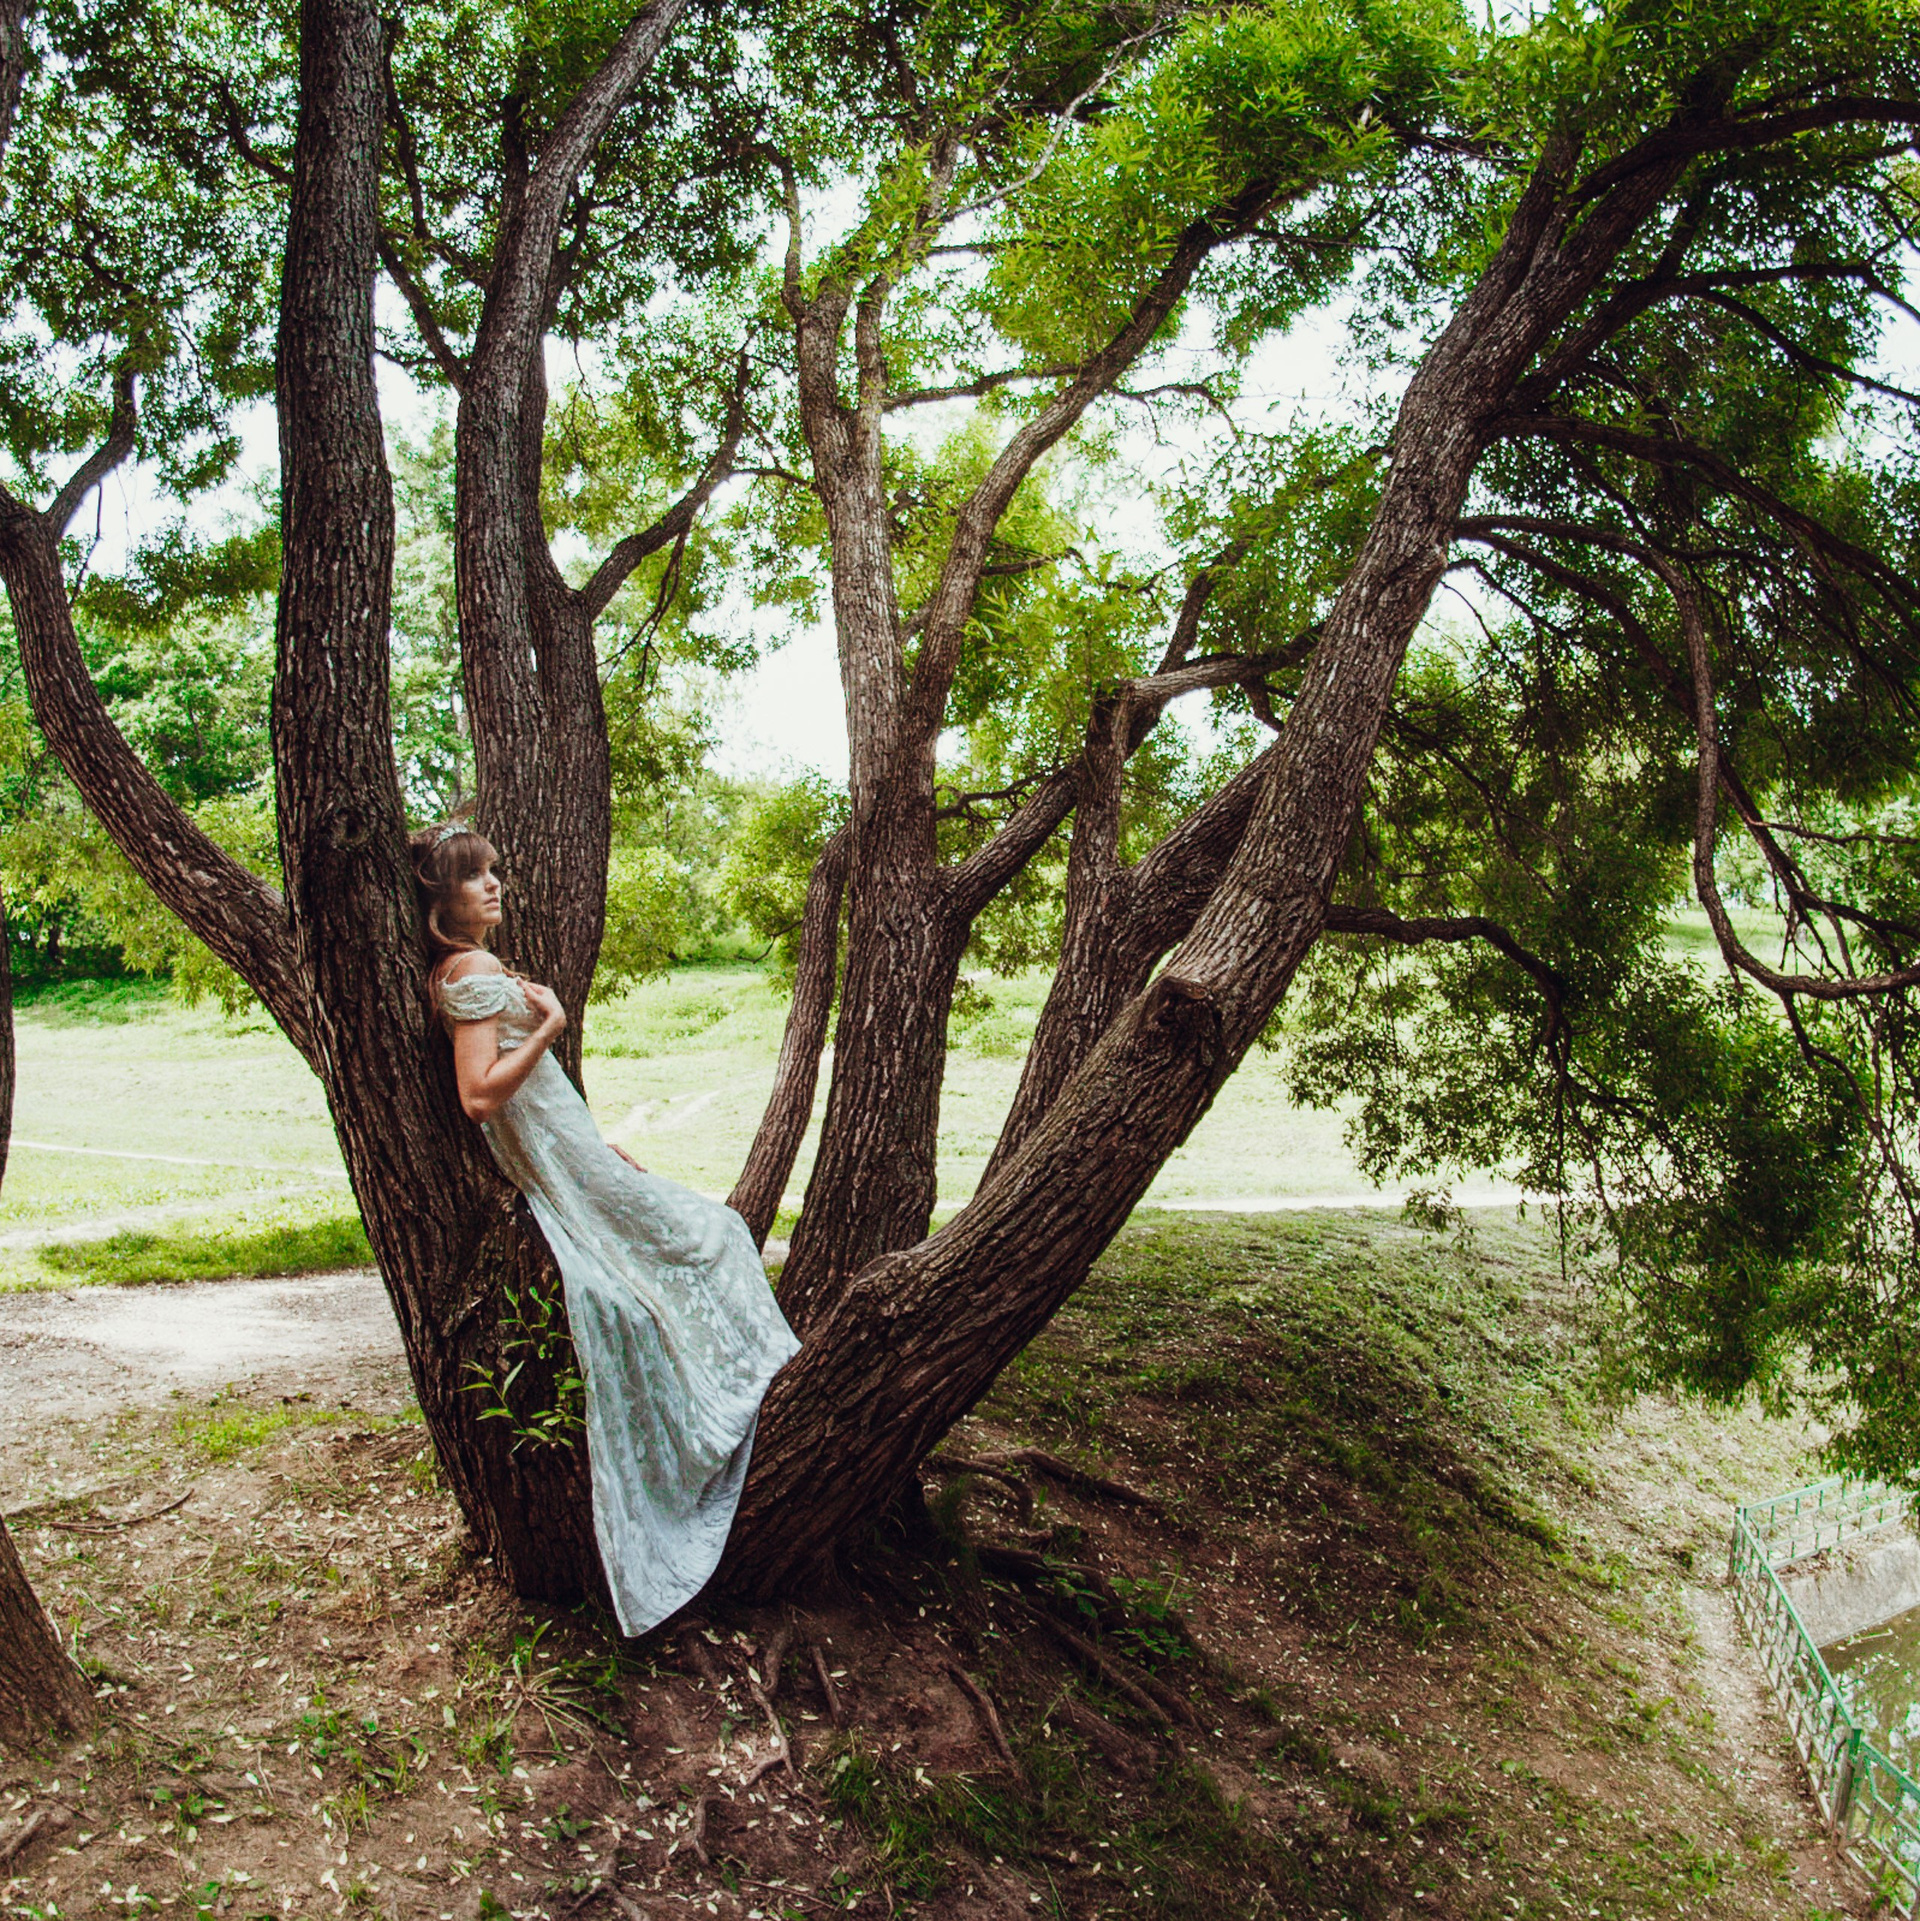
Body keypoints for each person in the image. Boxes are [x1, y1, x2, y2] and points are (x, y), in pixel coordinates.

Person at [411, 819, 800, 1634]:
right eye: (475, 875)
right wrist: (551, 1026)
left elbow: (535, 1097)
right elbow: (479, 1095)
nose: (494, 884)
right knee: (719, 1235)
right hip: (562, 1172)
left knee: (708, 1236)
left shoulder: (464, 965)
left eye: (494, 870)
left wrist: (592, 1141)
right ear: (441, 894)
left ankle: (742, 1389)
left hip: (575, 1156)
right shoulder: (472, 968)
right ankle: (741, 1399)